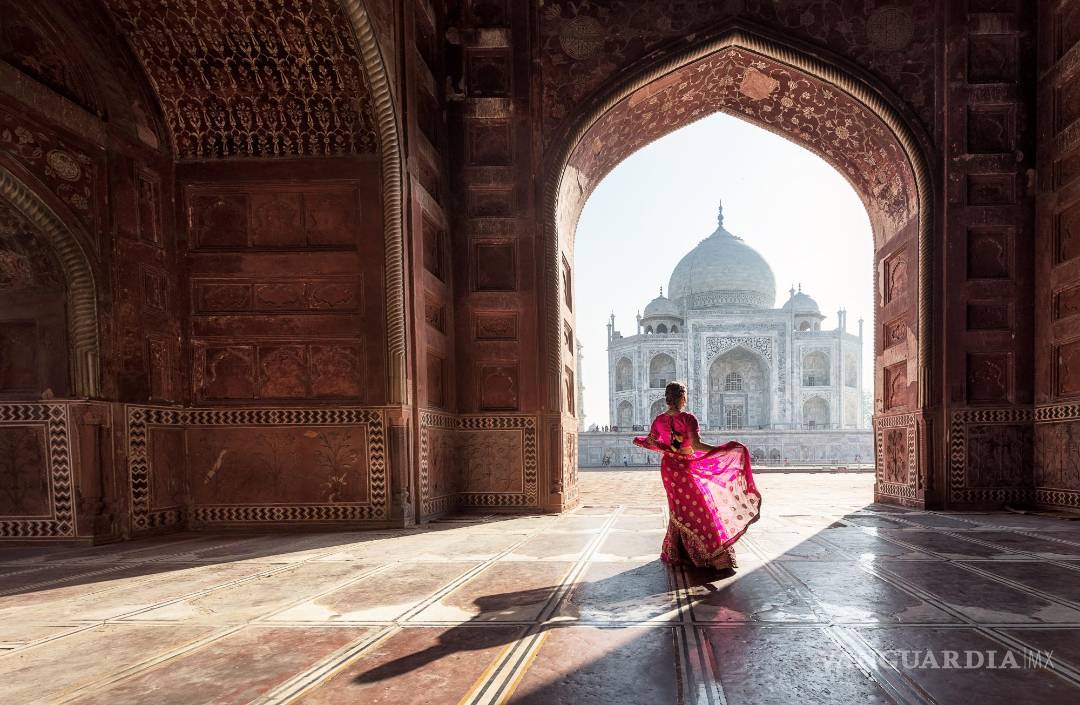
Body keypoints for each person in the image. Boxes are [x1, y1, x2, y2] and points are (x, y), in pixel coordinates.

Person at [633, 381, 761, 571]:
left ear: (667, 399)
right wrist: (720, 450)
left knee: (679, 509)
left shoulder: (659, 420)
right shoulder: (688, 418)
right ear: (683, 398)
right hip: (684, 466)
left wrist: (660, 447)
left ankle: (679, 551)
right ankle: (710, 553)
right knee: (699, 506)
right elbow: (696, 445)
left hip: (669, 468)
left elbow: (652, 442)